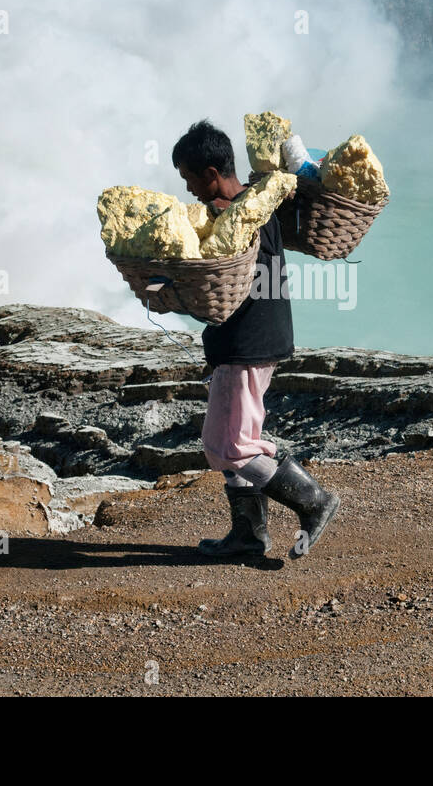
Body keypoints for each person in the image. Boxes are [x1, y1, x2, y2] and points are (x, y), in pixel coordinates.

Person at [170, 119, 340, 560]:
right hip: (253, 341)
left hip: (247, 344)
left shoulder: (237, 218)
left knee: (230, 445)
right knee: (229, 439)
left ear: (210, 173)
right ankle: (247, 535)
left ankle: (314, 500)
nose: (189, 189)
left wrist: (172, 289)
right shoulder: (255, 203)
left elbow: (226, 287)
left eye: (189, 178)